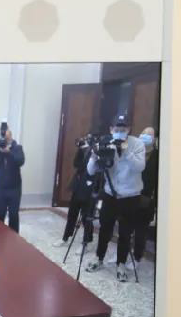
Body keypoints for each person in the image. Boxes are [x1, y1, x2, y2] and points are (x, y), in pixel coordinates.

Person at [86, 116, 146, 281]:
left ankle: (121, 264)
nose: (120, 132)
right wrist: (94, 156)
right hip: (110, 195)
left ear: (129, 129)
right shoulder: (105, 142)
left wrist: (125, 151)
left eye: (123, 129)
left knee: (125, 232)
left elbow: (140, 167)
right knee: (105, 229)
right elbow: (91, 171)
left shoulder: (137, 144)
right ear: (111, 129)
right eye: (116, 129)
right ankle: (99, 258)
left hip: (130, 196)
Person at [53, 142, 96, 247]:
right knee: (72, 214)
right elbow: (77, 164)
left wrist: (92, 151)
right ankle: (65, 238)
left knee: (86, 217)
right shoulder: (84, 150)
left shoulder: (97, 151)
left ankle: (86, 242)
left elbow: (91, 169)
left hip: (89, 188)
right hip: (78, 186)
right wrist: (81, 150)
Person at [0, 128, 26, 233]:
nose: (4, 141)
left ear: (11, 137)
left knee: (14, 215)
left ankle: (14, 239)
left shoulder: (17, 148)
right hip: (0, 189)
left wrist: (9, 152)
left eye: (7, 138)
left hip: (14, 189)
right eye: (3, 138)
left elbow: (20, 161)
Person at [133, 126, 158, 263]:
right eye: (143, 133)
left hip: (145, 198)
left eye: (149, 135)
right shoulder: (136, 151)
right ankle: (123, 254)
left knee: (140, 231)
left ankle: (137, 257)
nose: (145, 136)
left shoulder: (158, 156)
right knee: (125, 227)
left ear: (154, 139)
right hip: (129, 195)